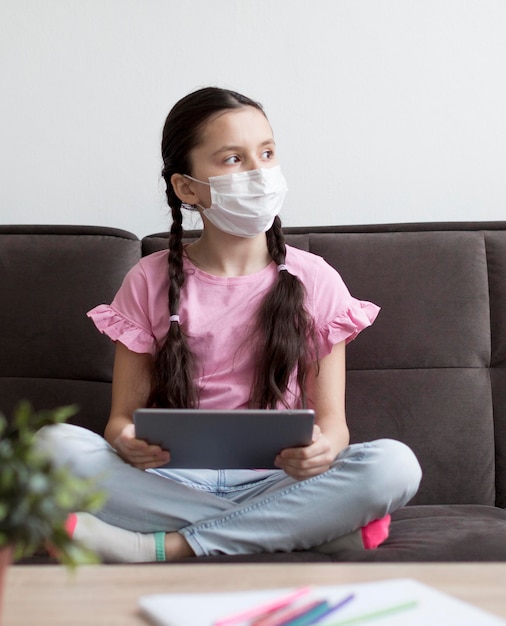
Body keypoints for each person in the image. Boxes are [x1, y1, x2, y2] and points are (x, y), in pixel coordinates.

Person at [37, 86, 422, 563]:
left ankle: (162, 546)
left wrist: (322, 451)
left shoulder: (316, 280)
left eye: (266, 152)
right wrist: (126, 442)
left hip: (279, 478)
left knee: (394, 466)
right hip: (169, 478)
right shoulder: (148, 280)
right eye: (233, 159)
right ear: (187, 187)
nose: (260, 172)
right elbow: (120, 420)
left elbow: (334, 428)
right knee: (50, 447)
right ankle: (299, 529)